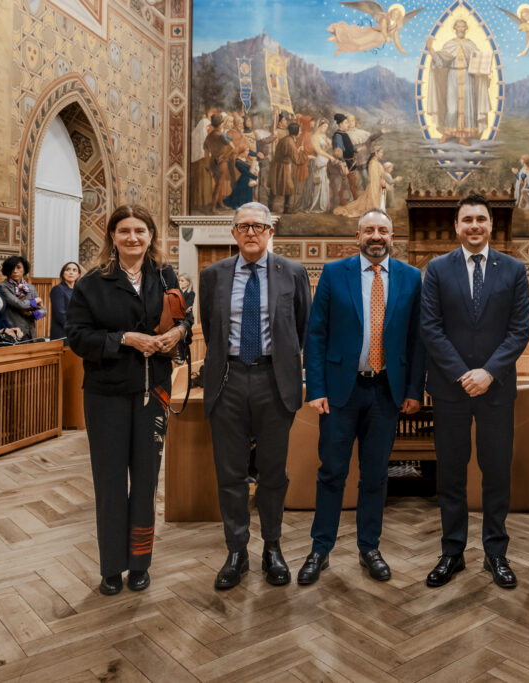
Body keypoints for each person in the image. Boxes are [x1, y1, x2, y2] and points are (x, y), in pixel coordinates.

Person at [67, 204, 192, 596]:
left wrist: (178, 334)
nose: (133, 237)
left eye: (140, 230)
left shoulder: (165, 275)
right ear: (113, 236)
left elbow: (184, 319)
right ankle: (110, 567)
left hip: (153, 392)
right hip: (106, 394)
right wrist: (124, 338)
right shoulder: (92, 283)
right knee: (109, 481)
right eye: (124, 231)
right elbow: (77, 338)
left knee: (146, 480)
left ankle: (139, 563)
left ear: (151, 236)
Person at [298, 208, 426, 585]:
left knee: (375, 475)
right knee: (332, 472)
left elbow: (417, 341)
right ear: (358, 237)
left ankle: (369, 547)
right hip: (341, 391)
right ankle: (320, 549)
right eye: (368, 230)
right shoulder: (334, 273)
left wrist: (413, 390)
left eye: (382, 231)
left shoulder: (411, 277)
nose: (376, 236)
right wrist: (316, 388)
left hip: (386, 391)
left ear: (392, 237)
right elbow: (316, 335)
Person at [420, 193, 529, 589]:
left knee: (496, 472)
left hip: (496, 390)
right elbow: (430, 327)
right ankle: (452, 551)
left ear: (490, 224)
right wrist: (462, 374)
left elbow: (519, 330)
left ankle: (495, 552)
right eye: (467, 220)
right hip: (450, 390)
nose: (474, 226)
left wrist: (488, 373)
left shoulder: (514, 269)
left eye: (481, 219)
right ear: (457, 226)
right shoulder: (437, 269)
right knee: (450, 473)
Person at [199, 202, 311, 590]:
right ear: (233, 233)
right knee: (230, 472)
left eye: (258, 227)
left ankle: (272, 547)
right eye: (243, 226)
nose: (251, 232)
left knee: (273, 473)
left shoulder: (292, 272)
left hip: (273, 380)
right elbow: (210, 326)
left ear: (270, 231)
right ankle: (236, 551)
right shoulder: (212, 275)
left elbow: (301, 326)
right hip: (228, 380)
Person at [425, 19, 492, 144]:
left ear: (466, 29)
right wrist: (431, 50)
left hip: (468, 76)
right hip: (453, 76)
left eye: (463, 27)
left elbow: (478, 61)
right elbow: (440, 62)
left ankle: (462, 136)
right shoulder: (450, 44)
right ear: (454, 28)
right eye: (458, 27)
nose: (461, 29)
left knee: (468, 108)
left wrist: (482, 71)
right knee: (452, 108)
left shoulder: (470, 45)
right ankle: (447, 133)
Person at [0, 256, 43, 340]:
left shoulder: (31, 287)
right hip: (13, 333)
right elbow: (19, 304)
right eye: (12, 268)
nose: (15, 271)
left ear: (24, 269)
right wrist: (35, 301)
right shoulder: (2, 286)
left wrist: (31, 314)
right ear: (7, 270)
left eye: (18, 267)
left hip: (31, 333)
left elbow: (43, 311)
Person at [50, 262, 81, 342]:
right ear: (63, 273)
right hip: (62, 334)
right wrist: (75, 329)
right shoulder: (58, 289)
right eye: (68, 270)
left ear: (78, 275)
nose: (71, 272)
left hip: (76, 333)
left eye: (74, 270)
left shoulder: (78, 291)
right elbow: (61, 314)